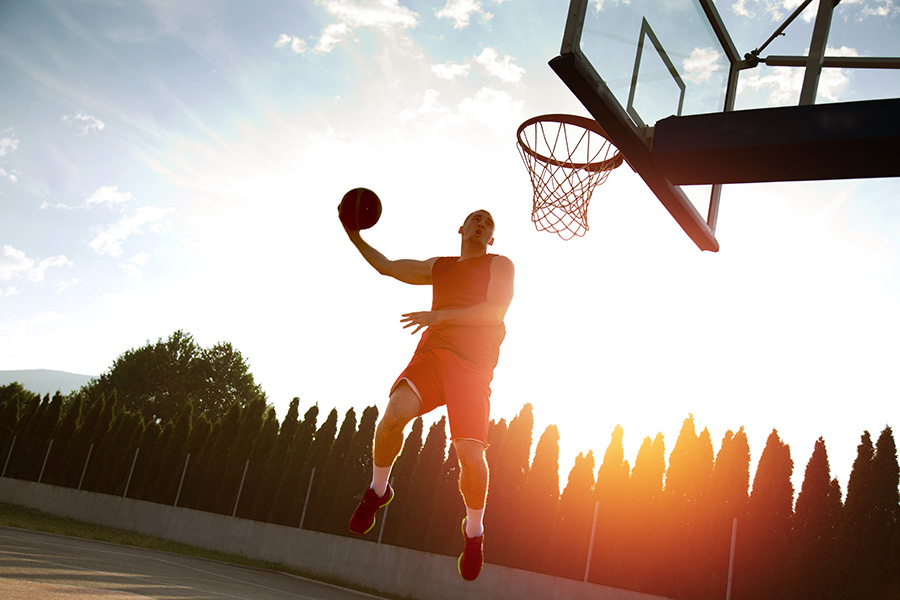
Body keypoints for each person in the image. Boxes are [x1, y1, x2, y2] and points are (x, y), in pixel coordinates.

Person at [342, 208, 514, 582]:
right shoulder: (440, 267)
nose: (481, 224)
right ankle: (377, 490)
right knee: (392, 419)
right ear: (462, 228)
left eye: (488, 223)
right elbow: (387, 266)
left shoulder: (500, 265)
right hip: (433, 355)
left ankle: (474, 533)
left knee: (470, 456)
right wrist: (354, 235)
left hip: (473, 367)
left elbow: (494, 312)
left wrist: (440, 317)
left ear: (491, 238)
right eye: (475, 219)